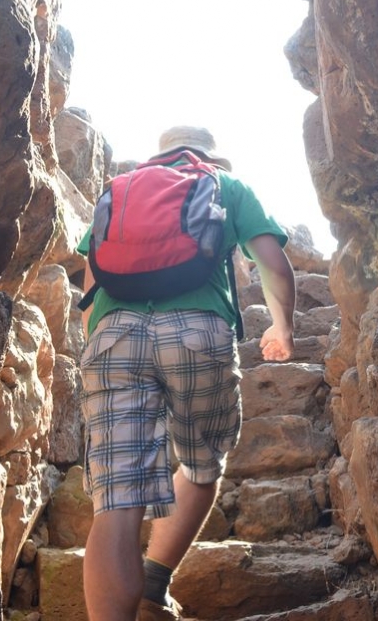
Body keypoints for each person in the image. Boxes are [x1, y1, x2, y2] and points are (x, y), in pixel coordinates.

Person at [77, 125, 297, 621]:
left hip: (114, 335)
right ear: (210, 156)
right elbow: (273, 263)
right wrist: (282, 327)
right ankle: (153, 585)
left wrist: (101, 342)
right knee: (200, 467)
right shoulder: (224, 184)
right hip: (198, 332)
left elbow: (91, 283)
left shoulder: (120, 191)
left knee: (116, 501)